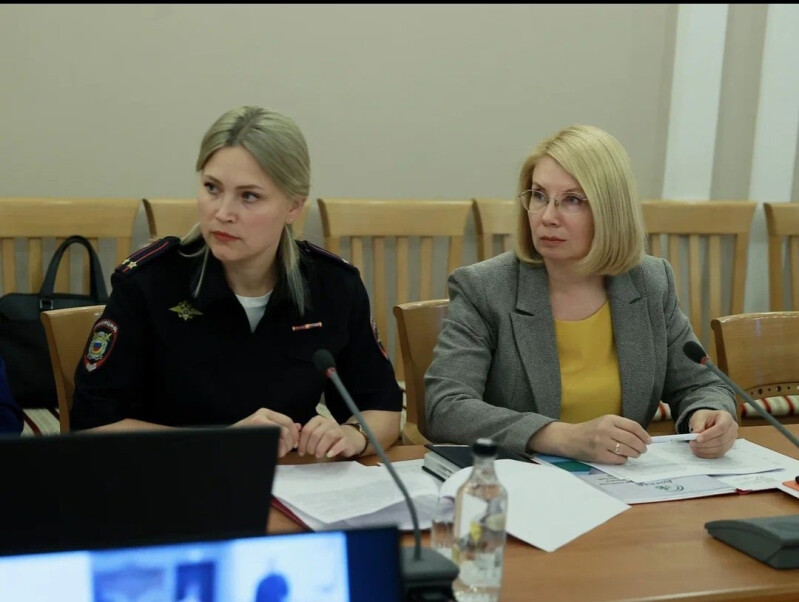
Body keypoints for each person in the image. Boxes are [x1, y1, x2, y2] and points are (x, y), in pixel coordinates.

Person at [70, 105, 402, 459]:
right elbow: (93, 424)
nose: (223, 212)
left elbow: (382, 407)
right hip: (171, 477)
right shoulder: (149, 283)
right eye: (212, 188)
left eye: (249, 196)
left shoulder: (334, 285)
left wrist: (352, 435)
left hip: (292, 481)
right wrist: (219, 444)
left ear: (293, 207)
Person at [425, 124, 738, 464]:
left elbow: (699, 384)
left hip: (622, 478)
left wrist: (709, 413)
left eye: (572, 200)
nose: (547, 217)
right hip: (518, 476)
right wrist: (560, 437)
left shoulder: (649, 281)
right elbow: (446, 407)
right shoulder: (486, 287)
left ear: (610, 210)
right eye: (539, 196)